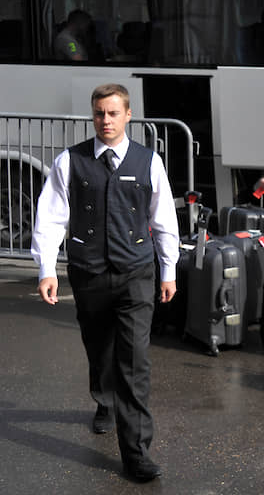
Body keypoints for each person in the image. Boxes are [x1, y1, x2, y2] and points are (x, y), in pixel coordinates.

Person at [31, 83, 179, 482]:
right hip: (89, 271)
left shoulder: (149, 161)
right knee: (99, 348)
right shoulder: (70, 161)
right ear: (92, 115)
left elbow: (164, 218)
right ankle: (105, 400)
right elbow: (51, 217)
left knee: (134, 361)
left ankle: (136, 453)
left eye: (113, 113)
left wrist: (169, 270)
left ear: (128, 115)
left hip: (136, 273)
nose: (105, 121)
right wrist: (47, 269)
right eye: (99, 113)